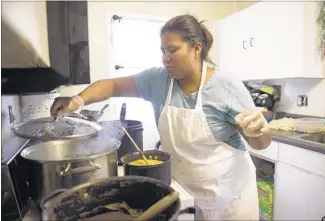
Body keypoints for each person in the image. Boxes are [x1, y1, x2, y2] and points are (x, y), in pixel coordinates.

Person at [50, 14, 272, 220]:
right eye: (162, 51)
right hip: (184, 189)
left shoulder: (226, 86)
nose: (165, 58)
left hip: (230, 196)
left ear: (196, 48)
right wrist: (77, 101)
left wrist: (260, 131)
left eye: (172, 50)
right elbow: (111, 85)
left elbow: (259, 144)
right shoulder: (158, 80)